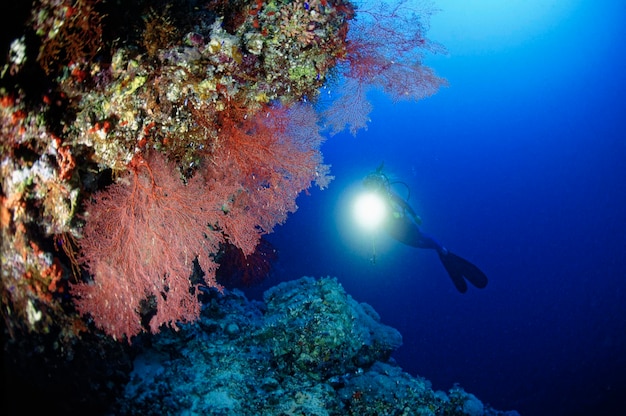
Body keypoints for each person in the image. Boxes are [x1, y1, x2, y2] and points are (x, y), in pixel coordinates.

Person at [362, 164, 488, 293]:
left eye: (373, 186)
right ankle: (443, 253)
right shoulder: (372, 201)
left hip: (405, 227)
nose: (372, 189)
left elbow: (403, 203)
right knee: (419, 242)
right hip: (394, 232)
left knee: (421, 238)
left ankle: (443, 251)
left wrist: (414, 215)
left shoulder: (389, 195)